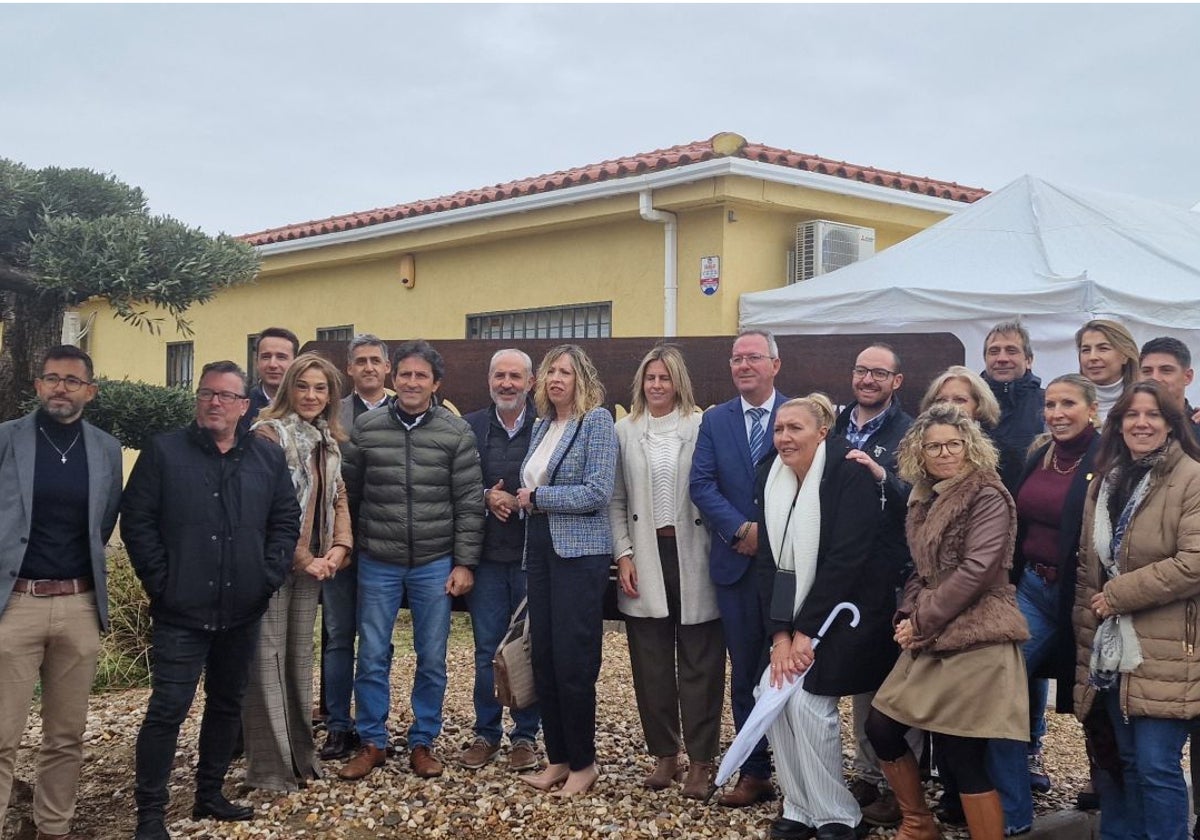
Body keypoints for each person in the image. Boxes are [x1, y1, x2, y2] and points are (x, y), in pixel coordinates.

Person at [121, 361, 300, 840]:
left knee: (226, 704)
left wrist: (266, 576)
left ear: (245, 406)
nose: (214, 402)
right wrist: (162, 581)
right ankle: (151, 813)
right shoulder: (163, 452)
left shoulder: (265, 457)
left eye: (225, 395)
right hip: (181, 610)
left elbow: (285, 518)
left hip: (242, 608)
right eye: (206, 393)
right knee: (167, 709)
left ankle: (209, 794)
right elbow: (137, 522)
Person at [866, 403, 1029, 840]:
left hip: (979, 630)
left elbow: (977, 571)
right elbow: (921, 570)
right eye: (934, 446)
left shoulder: (988, 495)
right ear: (920, 452)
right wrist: (908, 615)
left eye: (954, 444)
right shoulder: (924, 496)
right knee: (881, 725)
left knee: (961, 751)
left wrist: (921, 620)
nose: (944, 453)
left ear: (970, 447)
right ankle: (919, 824)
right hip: (934, 626)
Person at [337, 340, 483, 782]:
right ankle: (373, 741)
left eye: (422, 375)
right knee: (374, 652)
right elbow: (351, 494)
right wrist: (351, 545)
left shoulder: (455, 432)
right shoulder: (366, 429)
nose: (412, 382)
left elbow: (469, 503)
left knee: (433, 656)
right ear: (391, 378)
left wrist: (465, 562)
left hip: (434, 562)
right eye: (405, 374)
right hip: (378, 559)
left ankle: (422, 740)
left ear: (436, 383)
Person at [755, 395, 896, 840]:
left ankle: (839, 815)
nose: (783, 437)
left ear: (822, 432)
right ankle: (800, 806)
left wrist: (806, 634)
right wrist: (780, 635)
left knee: (809, 702)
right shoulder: (769, 477)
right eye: (778, 429)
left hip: (852, 616)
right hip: (796, 619)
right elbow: (767, 564)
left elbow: (845, 561)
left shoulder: (848, 475)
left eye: (794, 428)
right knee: (771, 691)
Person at [0, 346, 122, 840]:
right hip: (16, 604)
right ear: (37, 385)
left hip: (78, 604)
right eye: (51, 378)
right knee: (2, 735)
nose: (60, 388)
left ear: (90, 391)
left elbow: (105, 518)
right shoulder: (6, 439)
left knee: (66, 736)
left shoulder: (106, 448)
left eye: (72, 381)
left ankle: (53, 827)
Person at [1073, 380, 1200, 840]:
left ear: (1171, 424)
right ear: (1118, 423)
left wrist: (1119, 594)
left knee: (1155, 763)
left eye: (1153, 415)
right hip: (1111, 647)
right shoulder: (1106, 481)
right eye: (1132, 415)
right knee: (1122, 761)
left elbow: (1194, 562)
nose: (1141, 423)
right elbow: (1089, 568)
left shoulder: (1191, 477)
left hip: (1167, 648)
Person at [986, 374, 1101, 833]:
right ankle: (1013, 817)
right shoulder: (1041, 453)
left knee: (1099, 706)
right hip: (1033, 589)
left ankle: (1118, 808)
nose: (1056, 413)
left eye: (1068, 403)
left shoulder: (1108, 456)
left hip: (1084, 596)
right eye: (1050, 404)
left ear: (1091, 409)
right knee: (999, 694)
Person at [609, 345, 723, 799]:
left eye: (665, 378)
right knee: (651, 662)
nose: (657, 386)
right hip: (645, 554)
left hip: (694, 552)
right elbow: (615, 500)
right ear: (640, 383)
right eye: (650, 378)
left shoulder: (701, 426)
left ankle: (701, 759)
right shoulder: (624, 430)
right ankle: (664, 754)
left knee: (701, 661)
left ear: (679, 383)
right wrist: (623, 554)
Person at [241, 354, 352, 791]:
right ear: (289, 388)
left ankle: (300, 759)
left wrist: (340, 549)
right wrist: (303, 555)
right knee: (266, 661)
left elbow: (338, 495)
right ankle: (269, 769)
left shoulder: (326, 438)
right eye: (303, 386)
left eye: (320, 388)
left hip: (314, 568)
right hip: (275, 565)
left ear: (330, 396)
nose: (311, 395)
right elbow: (270, 507)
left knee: (297, 661)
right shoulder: (268, 435)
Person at [689, 329, 788, 807]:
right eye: (736, 358)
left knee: (791, 669)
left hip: (788, 566)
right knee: (746, 670)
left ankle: (802, 771)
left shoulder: (797, 416)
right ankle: (755, 771)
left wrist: (766, 536)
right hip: (735, 565)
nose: (743, 365)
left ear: (775, 364)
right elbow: (702, 484)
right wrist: (739, 531)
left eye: (753, 357)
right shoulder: (716, 421)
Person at [515, 344, 616, 797]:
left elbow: (596, 491)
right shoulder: (540, 427)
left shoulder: (596, 421)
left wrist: (537, 499)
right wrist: (519, 501)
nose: (556, 378)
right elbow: (529, 491)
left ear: (582, 380)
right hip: (538, 548)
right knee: (546, 658)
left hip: (579, 556)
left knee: (574, 660)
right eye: (550, 371)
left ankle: (584, 763)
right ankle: (557, 758)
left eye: (566, 372)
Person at [831, 343, 915, 828]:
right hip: (848, 572)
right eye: (861, 370)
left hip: (893, 572)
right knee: (864, 676)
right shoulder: (837, 425)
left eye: (878, 373)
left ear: (896, 381)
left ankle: (896, 781)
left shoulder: (908, 431)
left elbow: (919, 494)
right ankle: (867, 772)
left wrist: (882, 474)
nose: (867, 379)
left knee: (894, 682)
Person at [459, 349, 542, 773]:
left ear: (530, 382)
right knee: (486, 650)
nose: (506, 383)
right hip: (486, 557)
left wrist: (522, 501)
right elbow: (452, 485)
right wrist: (485, 496)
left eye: (515, 376)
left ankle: (526, 735)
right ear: (489, 380)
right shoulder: (469, 427)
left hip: (533, 558)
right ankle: (485, 732)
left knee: (528, 648)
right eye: (499, 376)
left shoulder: (546, 427)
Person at [318, 334, 394, 762]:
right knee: (337, 635)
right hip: (340, 546)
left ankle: (373, 726)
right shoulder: (334, 414)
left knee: (379, 640)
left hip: (387, 544)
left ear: (387, 368)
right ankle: (337, 725)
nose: (368, 367)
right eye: (360, 361)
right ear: (349, 369)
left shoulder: (407, 411)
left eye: (375, 361)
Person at [980, 322, 1045, 492]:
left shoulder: (1047, 404)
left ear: (1029, 360)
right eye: (994, 351)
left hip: (1031, 507)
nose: (1002, 359)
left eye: (1011, 351)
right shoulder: (972, 404)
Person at [1076, 319, 1138, 422]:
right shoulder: (1067, 402)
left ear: (1125, 355)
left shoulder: (1146, 401)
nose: (1092, 357)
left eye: (1103, 348)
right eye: (1086, 350)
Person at [1139, 336, 1199, 439]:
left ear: (1187, 377)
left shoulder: (1197, 426)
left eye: (1166, 370)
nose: (1155, 378)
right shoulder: (1125, 426)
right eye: (1147, 371)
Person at [247, 327, 300, 423]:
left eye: (281, 357)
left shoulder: (306, 404)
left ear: (295, 362)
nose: (273, 365)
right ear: (256, 362)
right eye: (266, 357)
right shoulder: (243, 404)